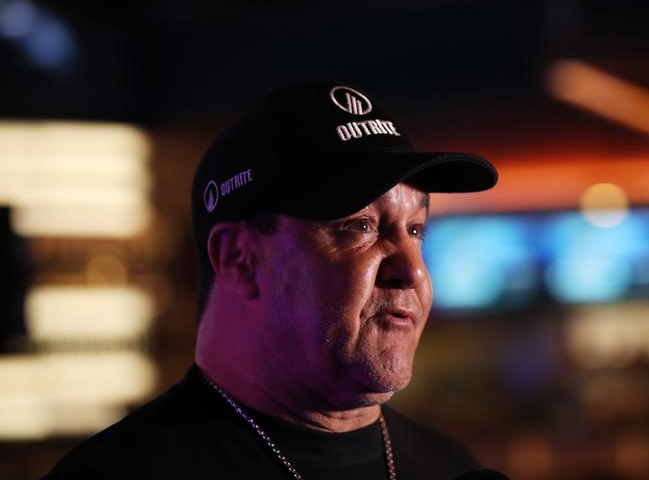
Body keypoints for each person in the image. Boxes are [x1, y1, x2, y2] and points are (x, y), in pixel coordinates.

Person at [42, 82, 500, 479]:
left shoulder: (450, 467)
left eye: (416, 230)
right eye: (359, 226)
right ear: (239, 259)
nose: (413, 270)